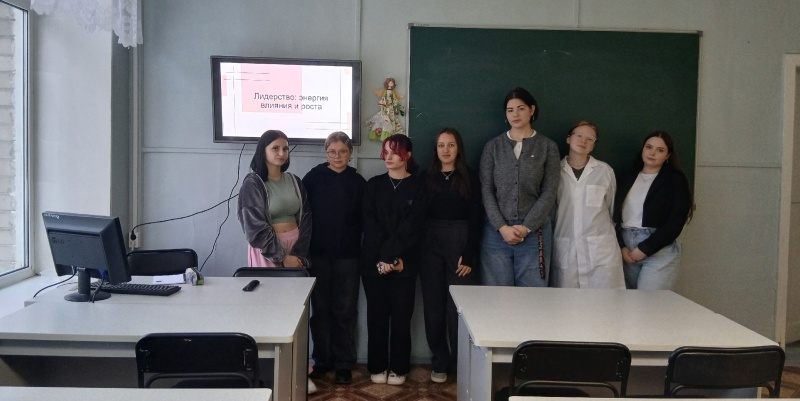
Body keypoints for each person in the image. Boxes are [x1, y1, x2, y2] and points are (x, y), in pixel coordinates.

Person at [361, 134, 426, 386]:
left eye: (395, 152)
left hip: (404, 264)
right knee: (376, 318)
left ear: (407, 155)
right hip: (374, 264)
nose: (388, 157)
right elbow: (371, 224)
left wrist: (393, 258)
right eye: (385, 152)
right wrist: (383, 258)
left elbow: (412, 226)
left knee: (401, 319)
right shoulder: (374, 185)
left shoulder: (418, 187)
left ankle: (399, 368)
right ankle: (377, 366)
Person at [479, 87, 560, 287]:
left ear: (532, 110)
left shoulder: (548, 147)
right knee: (497, 296)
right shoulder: (493, 147)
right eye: (510, 110)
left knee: (532, 298)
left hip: (534, 232)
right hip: (497, 233)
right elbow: (487, 190)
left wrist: (526, 227)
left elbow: (549, 191)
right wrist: (502, 227)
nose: (515, 114)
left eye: (521, 108)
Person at [302, 132, 365, 385]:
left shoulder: (358, 182)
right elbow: (303, 216)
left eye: (342, 151)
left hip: (348, 257)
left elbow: (365, 221)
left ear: (350, 153)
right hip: (317, 255)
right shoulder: (312, 178)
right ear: (326, 152)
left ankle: (343, 363)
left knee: (345, 311)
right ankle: (322, 360)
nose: (337, 156)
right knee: (320, 311)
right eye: (332, 152)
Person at [420, 128, 482, 383]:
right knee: (433, 306)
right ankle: (440, 362)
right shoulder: (426, 177)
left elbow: (477, 216)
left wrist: (469, 254)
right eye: (441, 145)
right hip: (430, 243)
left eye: (451, 145)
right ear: (435, 149)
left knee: (458, 306)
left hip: (460, 240)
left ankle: (461, 362)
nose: (445, 150)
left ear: (459, 149)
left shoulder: (470, 176)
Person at [613, 131, 693, 290]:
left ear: (667, 155)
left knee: (650, 303)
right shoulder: (627, 177)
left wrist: (646, 248)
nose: (652, 153)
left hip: (658, 249)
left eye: (660, 150)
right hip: (627, 249)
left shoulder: (675, 180)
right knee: (629, 302)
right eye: (648, 147)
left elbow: (676, 220)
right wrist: (622, 247)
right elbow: (613, 215)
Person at [551, 121, 624, 289]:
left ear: (593, 145)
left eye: (590, 139)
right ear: (568, 139)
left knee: (604, 300)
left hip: (600, 250)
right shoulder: (555, 171)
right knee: (567, 301)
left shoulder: (604, 171)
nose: (583, 141)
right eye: (579, 136)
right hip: (566, 245)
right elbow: (552, 211)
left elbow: (612, 208)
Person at [237, 129, 311, 269]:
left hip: (295, 248)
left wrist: (298, 254)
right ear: (263, 151)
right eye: (275, 148)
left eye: (285, 149)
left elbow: (306, 219)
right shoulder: (253, 184)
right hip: (267, 251)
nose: (282, 153)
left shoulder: (294, 181)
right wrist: (282, 256)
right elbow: (254, 227)